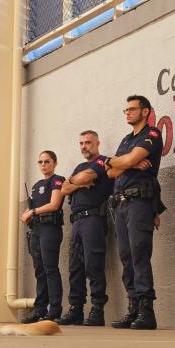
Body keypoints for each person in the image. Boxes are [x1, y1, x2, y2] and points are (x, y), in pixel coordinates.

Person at [105, 95, 166, 330]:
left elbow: (127, 161)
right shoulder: (126, 139)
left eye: (132, 109)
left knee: (140, 254)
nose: (127, 113)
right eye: (125, 109)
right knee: (126, 256)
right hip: (120, 203)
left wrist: (122, 162)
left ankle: (146, 311)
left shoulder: (151, 134)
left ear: (145, 111)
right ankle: (132, 308)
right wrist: (125, 162)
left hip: (139, 201)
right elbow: (110, 174)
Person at [56, 130, 114, 326]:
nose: (84, 146)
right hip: (77, 221)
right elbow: (64, 189)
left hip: (93, 218)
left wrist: (77, 182)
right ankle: (76, 309)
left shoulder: (103, 162)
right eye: (81, 143)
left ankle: (97, 309)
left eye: (88, 142)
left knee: (93, 265)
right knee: (75, 268)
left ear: (97, 142)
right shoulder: (81, 166)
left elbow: (77, 181)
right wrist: (79, 182)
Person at [20, 151, 66, 323]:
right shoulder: (36, 185)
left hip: (50, 228)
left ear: (54, 162)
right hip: (37, 229)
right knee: (39, 271)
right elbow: (34, 208)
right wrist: (26, 214)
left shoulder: (57, 179)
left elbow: (54, 204)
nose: (43, 165)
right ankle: (40, 309)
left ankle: (54, 310)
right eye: (40, 162)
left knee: (50, 268)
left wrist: (32, 211)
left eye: (47, 161)